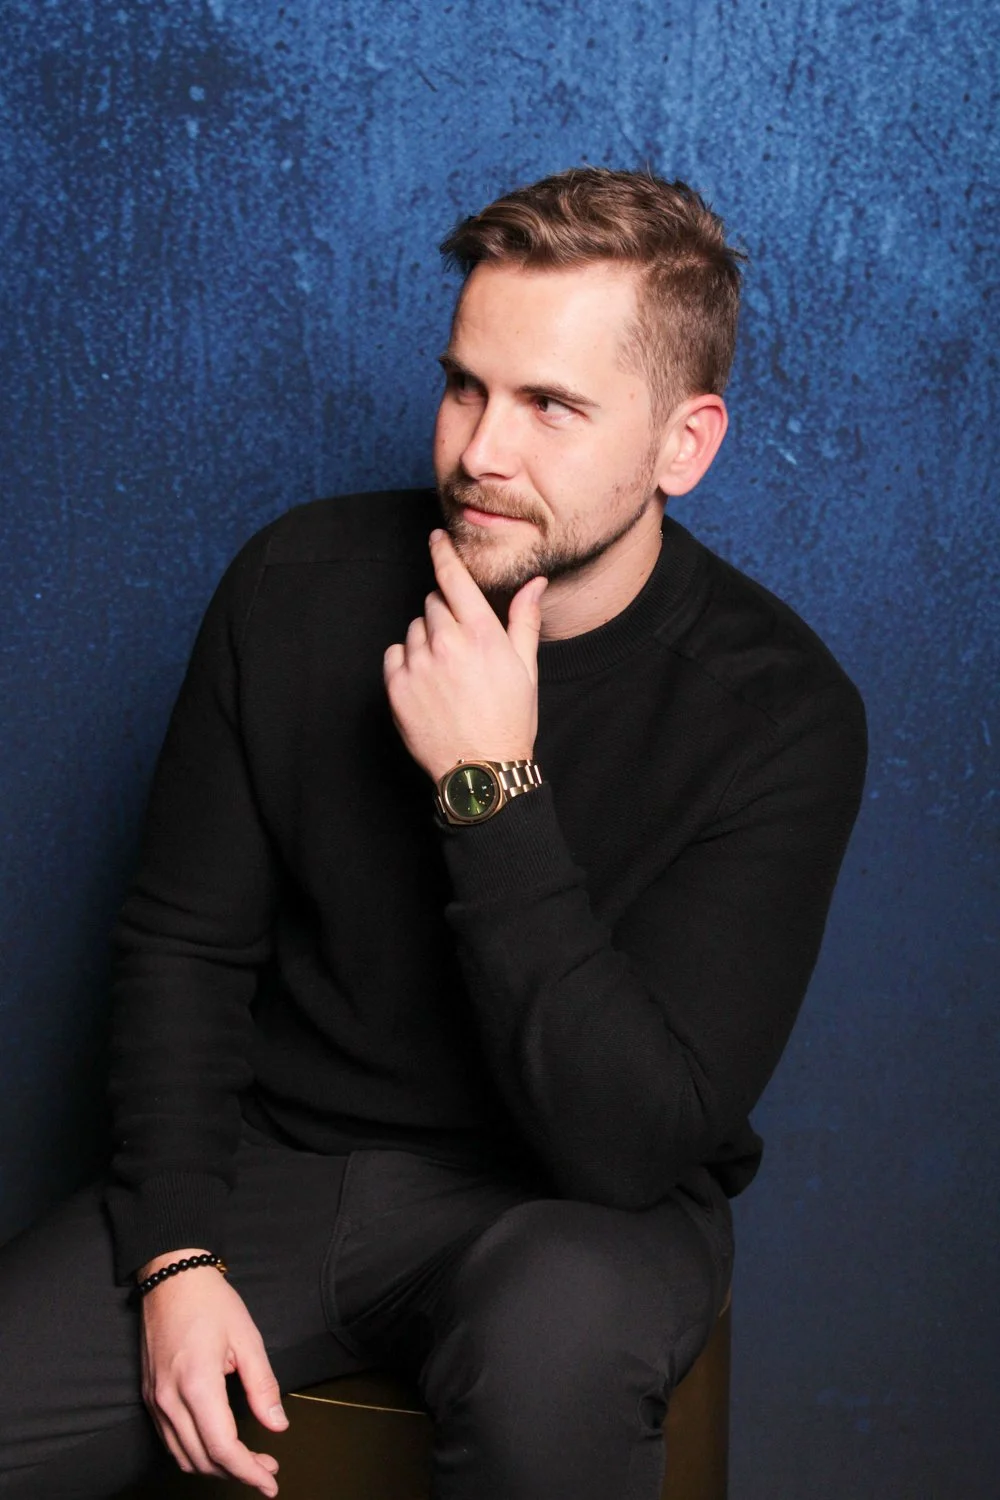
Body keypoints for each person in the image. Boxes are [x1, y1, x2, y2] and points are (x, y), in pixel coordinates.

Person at [0, 167, 867, 1500]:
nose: (480, 452)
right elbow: (182, 947)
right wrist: (176, 1257)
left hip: (577, 1214)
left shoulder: (778, 713)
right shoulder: (297, 586)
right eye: (466, 385)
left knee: (553, 1344)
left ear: (684, 445)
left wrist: (489, 788)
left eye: (551, 407)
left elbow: (631, 1143)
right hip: (277, 1176)